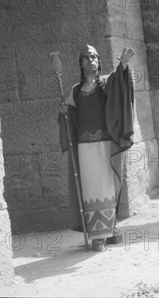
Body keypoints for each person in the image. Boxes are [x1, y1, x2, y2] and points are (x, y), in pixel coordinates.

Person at [56, 45, 135, 250]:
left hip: (106, 143)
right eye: (86, 57)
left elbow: (121, 84)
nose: (91, 60)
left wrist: (124, 63)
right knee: (91, 187)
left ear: (99, 62)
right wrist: (65, 111)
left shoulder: (106, 82)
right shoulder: (75, 90)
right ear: (81, 64)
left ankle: (111, 227)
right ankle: (97, 234)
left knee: (109, 185)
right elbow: (69, 117)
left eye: (94, 57)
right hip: (84, 147)